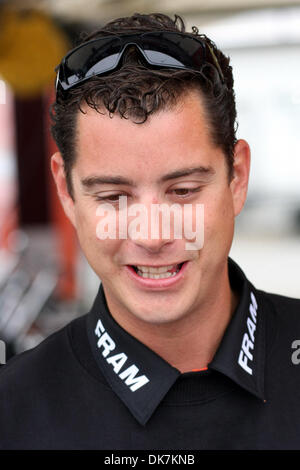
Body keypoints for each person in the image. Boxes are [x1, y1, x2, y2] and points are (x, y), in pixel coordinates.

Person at [0, 12, 299, 451]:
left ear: (236, 177)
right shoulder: (12, 413)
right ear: (66, 191)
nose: (153, 234)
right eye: (113, 196)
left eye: (182, 190)